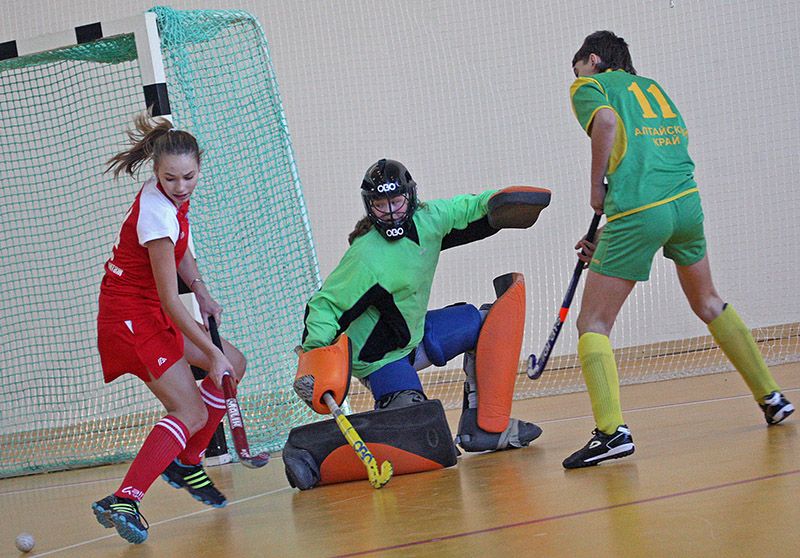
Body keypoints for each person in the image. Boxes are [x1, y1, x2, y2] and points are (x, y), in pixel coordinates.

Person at [563, 31, 794, 469]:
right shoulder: (653, 88)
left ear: (592, 59)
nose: (575, 77)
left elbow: (606, 124)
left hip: (640, 212)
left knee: (593, 322)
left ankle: (611, 434)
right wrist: (613, 231)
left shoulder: (589, 85)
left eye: (577, 68)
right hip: (685, 205)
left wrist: (597, 190)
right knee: (708, 301)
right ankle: (772, 397)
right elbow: (659, 154)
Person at [283, 159, 550, 489]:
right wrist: (314, 357)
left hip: (414, 334)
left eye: (396, 202)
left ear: (410, 197)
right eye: (381, 205)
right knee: (420, 434)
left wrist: (497, 202)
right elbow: (326, 306)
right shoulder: (366, 256)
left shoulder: (429, 219)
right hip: (380, 358)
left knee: (488, 322)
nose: (391, 212)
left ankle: (486, 428)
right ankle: (310, 455)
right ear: (369, 206)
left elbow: (468, 208)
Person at [91, 112, 246, 543]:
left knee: (235, 362)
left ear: (198, 167)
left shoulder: (171, 199)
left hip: (150, 309)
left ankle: (186, 461)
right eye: (171, 178)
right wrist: (210, 354)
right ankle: (125, 499)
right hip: (130, 317)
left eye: (188, 177)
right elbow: (168, 300)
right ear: (157, 173)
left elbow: (181, 253)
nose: (180, 186)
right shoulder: (156, 214)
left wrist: (202, 290)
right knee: (191, 410)